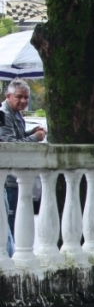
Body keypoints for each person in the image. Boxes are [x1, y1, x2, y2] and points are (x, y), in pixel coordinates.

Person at [1, 78, 46, 245]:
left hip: (15, 178)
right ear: (8, 96)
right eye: (19, 97)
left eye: (26, 97)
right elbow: (11, 145)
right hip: (9, 179)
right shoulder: (5, 115)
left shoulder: (15, 113)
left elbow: (16, 136)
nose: (23, 101)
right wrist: (35, 138)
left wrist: (30, 131)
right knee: (10, 224)